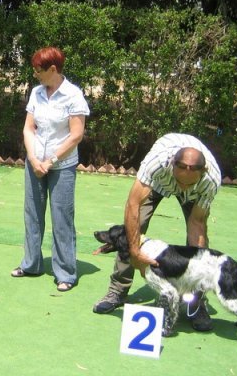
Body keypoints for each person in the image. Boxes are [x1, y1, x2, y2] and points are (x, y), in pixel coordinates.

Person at [92, 133, 222, 331]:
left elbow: (197, 223)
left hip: (196, 193)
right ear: (172, 165)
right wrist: (135, 251)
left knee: (197, 247)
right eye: (180, 182)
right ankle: (117, 290)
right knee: (134, 228)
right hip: (159, 182)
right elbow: (133, 205)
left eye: (189, 184)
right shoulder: (158, 162)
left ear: (203, 172)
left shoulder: (211, 180)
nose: (183, 188)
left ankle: (196, 301)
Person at [11, 47, 90, 292]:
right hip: (35, 163)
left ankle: (65, 272)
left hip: (62, 166)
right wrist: (33, 159)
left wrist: (50, 161)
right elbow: (28, 129)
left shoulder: (73, 95)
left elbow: (76, 135)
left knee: (61, 218)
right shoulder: (36, 92)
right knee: (32, 214)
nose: (35, 74)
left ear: (53, 70)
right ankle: (32, 264)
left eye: (38, 70)